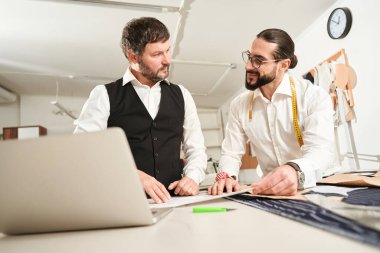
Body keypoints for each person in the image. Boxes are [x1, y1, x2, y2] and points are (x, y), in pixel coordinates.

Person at [74, 17, 207, 203]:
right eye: (157, 54)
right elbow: (83, 151)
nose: (167, 60)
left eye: (168, 51)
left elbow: (196, 149)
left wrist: (192, 178)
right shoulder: (104, 95)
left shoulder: (182, 94)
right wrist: (133, 174)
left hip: (174, 201)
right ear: (133, 57)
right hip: (121, 202)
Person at [208, 28, 334, 196]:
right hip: (270, 192)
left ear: (284, 65)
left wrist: (294, 169)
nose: (248, 66)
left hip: (315, 186)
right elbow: (231, 153)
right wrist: (227, 176)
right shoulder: (239, 105)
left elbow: (320, 151)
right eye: (250, 57)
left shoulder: (313, 97)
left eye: (259, 60)